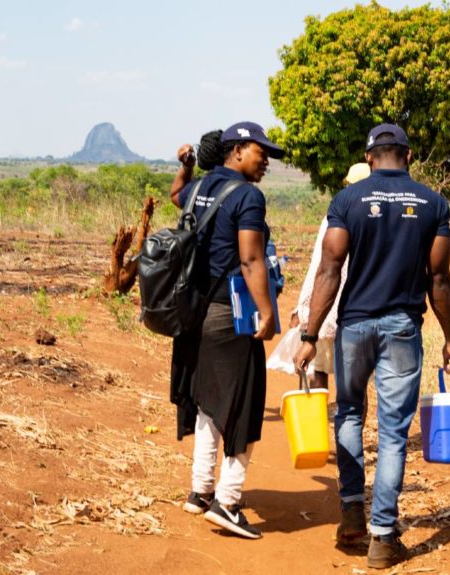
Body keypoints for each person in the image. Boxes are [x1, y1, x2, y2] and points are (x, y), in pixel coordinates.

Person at [293, 124, 450, 569]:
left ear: (369, 158)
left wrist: (310, 336)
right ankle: (384, 537)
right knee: (392, 433)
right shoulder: (433, 203)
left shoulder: (347, 200)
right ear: (408, 156)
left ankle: (351, 513)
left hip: (353, 327)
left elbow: (329, 270)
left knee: (348, 413)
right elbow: (439, 279)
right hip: (403, 327)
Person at [168, 121, 283, 540]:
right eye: (260, 151)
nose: (266, 159)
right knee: (243, 404)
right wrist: (267, 314)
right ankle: (228, 501)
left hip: (193, 314)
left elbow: (176, 196)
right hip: (230, 314)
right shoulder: (248, 196)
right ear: (236, 151)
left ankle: (200, 490)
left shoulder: (198, 187)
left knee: (208, 401)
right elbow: (251, 260)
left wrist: (185, 167)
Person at [290, 162, 370, 389]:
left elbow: (321, 266)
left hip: (329, 308)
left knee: (320, 370)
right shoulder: (381, 216)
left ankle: (317, 422)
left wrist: (304, 307)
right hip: (361, 310)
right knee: (355, 381)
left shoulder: (337, 214)